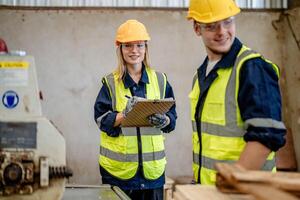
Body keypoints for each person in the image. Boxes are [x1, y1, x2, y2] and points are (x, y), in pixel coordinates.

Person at [187, 0, 286, 185]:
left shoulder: (252, 68)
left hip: (245, 190)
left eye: (228, 22)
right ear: (196, 28)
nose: (222, 32)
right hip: (212, 190)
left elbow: (268, 135)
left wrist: (232, 180)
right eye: (211, 26)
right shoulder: (201, 75)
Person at [94, 19, 177, 200]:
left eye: (139, 45)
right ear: (120, 49)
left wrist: (166, 120)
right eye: (128, 46)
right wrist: (125, 115)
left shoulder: (160, 80)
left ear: (146, 48)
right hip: (119, 173)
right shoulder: (110, 83)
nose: (134, 51)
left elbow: (173, 118)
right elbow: (101, 119)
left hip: (152, 173)